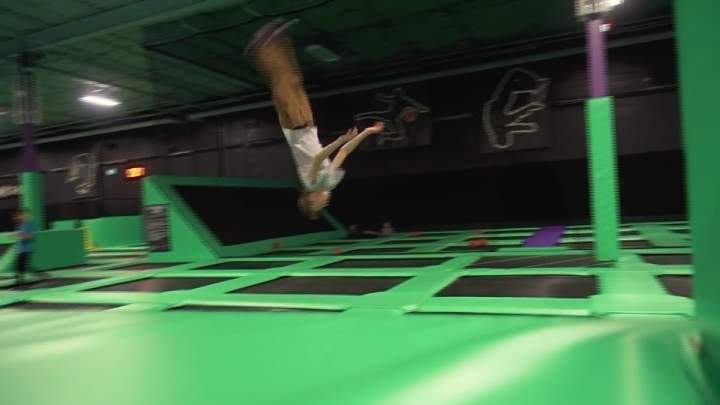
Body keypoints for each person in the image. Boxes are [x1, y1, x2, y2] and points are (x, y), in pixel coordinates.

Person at [245, 18, 385, 220]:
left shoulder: (310, 183)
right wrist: (368, 132)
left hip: (295, 128)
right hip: (308, 126)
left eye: (319, 207)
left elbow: (318, 159)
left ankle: (263, 48)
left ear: (311, 199)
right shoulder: (329, 182)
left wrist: (338, 141)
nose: (325, 204)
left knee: (284, 82)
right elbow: (344, 152)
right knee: (294, 81)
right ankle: (277, 41)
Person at [13, 209, 36, 285]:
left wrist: (21, 235)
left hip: (27, 249)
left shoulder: (30, 224)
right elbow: (20, 235)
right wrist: (16, 235)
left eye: (22, 215)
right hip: (21, 249)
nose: (20, 217)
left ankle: (21, 278)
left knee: (22, 265)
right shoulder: (21, 224)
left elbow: (30, 236)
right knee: (18, 265)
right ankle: (19, 278)